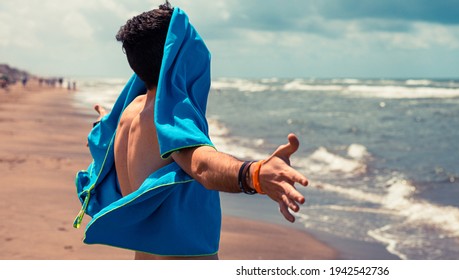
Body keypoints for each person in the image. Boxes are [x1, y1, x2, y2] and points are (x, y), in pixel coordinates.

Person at [75, 1, 308, 260]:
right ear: (180, 56)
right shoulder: (170, 116)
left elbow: (110, 146)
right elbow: (201, 165)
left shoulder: (127, 114)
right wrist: (255, 174)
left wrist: (102, 123)